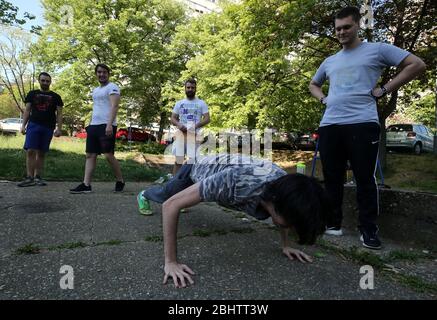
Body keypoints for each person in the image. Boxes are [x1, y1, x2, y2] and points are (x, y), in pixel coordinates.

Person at [309, 6, 426, 249]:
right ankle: (333, 224)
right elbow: (313, 84)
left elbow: (416, 64)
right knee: (332, 176)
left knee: (364, 178)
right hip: (330, 124)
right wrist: (323, 99)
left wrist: (384, 90)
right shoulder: (330, 61)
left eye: (346, 27)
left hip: (363, 123)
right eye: (338, 28)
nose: (341, 32)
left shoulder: (377, 50)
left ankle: (368, 230)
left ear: (357, 26)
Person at [137, 154, 331, 288]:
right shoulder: (234, 182)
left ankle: (186, 196)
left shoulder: (283, 185)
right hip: (196, 167)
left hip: (225, 169)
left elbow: (286, 213)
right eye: (288, 224)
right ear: (274, 201)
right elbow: (170, 206)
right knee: (167, 196)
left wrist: (286, 245)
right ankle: (144, 194)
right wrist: (170, 262)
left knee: (273, 215)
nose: (288, 227)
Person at [70, 64, 125, 193]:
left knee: (108, 155)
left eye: (104, 72)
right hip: (94, 125)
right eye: (99, 72)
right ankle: (86, 185)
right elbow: (97, 107)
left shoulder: (112, 87)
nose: (101, 74)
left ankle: (120, 180)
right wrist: (89, 124)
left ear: (108, 74)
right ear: (96, 74)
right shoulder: (95, 90)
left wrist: (109, 124)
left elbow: (115, 106)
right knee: (90, 155)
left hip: (106, 125)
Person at [18, 72, 64, 187]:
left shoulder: (56, 97)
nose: (45, 83)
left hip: (48, 127)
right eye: (43, 80)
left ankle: (38, 177)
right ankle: (29, 177)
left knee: (41, 152)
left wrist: (59, 128)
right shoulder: (32, 94)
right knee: (30, 151)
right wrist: (23, 125)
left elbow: (59, 114)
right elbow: (27, 110)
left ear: (50, 82)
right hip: (34, 125)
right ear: (39, 81)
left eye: (47, 81)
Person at [170, 79, 210, 176]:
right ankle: (174, 183)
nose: (190, 89)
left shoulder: (201, 103)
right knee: (178, 160)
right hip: (181, 134)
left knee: (193, 161)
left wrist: (194, 127)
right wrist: (179, 125)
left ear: (195, 89)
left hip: (195, 135)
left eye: (192, 88)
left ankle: (189, 185)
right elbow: (173, 118)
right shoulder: (179, 103)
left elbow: (207, 119)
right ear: (185, 88)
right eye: (188, 87)